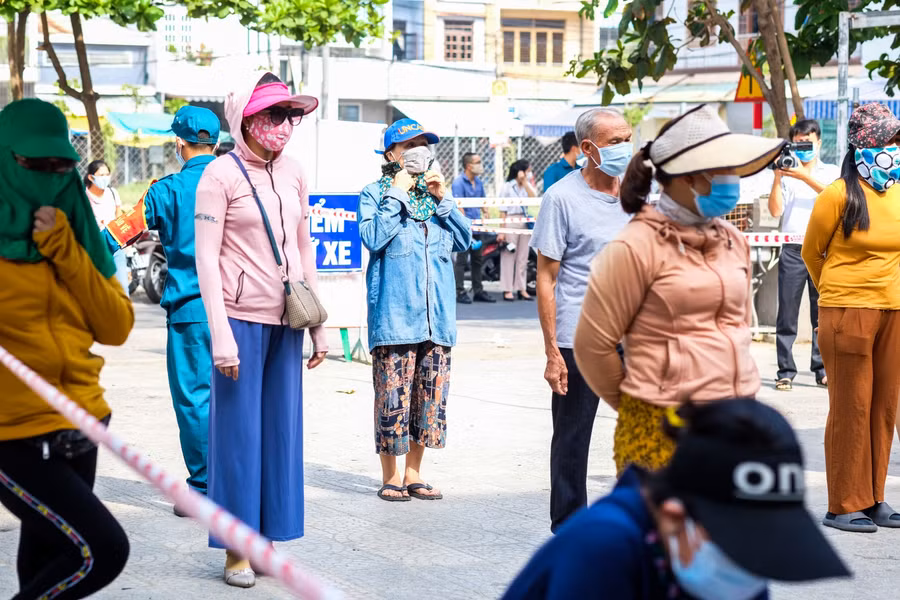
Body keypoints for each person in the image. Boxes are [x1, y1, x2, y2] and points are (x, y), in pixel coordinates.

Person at [574, 103, 783, 477]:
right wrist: (643, 403)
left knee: (728, 534)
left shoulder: (733, 240)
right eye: (719, 169)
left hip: (737, 422)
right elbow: (593, 347)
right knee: (670, 536)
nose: (730, 178)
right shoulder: (635, 247)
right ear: (685, 177)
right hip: (662, 431)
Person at [502, 399, 851, 600]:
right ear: (673, 517)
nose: (754, 564)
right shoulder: (603, 548)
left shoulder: (734, 570)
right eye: (739, 545)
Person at [195, 72, 328, 587]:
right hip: (239, 319)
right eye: (273, 115)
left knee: (279, 434)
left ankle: (268, 539)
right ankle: (236, 549)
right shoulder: (218, 176)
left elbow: (303, 246)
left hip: (286, 321)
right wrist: (220, 333)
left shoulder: (294, 171)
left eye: (289, 115)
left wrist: (318, 323)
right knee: (237, 437)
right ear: (245, 120)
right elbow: (206, 259)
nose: (284, 125)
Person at [0, 99, 133, 598]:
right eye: (33, 164)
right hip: (13, 435)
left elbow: (116, 325)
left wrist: (65, 249)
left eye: (60, 166)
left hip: (83, 422)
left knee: (47, 562)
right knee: (99, 551)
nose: (49, 176)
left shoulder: (73, 224)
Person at [102, 106, 220, 514]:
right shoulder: (242, 182)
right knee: (240, 398)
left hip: (191, 310)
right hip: (244, 311)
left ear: (178, 144)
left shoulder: (164, 191)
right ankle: (240, 482)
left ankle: (203, 488)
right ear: (217, 142)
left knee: (193, 399)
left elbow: (114, 237)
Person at [358, 118, 472, 503]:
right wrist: (397, 194)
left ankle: (414, 474)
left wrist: (444, 200)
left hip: (436, 319)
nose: (418, 151)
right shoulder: (376, 194)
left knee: (429, 399)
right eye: (409, 146)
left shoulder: (437, 194)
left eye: (424, 144)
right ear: (391, 154)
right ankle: (390, 476)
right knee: (392, 399)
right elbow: (373, 237)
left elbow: (465, 239)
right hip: (394, 319)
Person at [530, 108, 633, 533]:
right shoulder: (561, 198)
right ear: (588, 149)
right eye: (615, 142)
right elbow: (546, 278)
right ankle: (570, 524)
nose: (626, 148)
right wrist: (552, 351)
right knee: (573, 436)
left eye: (629, 138)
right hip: (581, 339)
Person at [801, 102, 900, 533]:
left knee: (883, 407)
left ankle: (873, 498)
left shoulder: (897, 190)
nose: (895, 149)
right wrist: (838, 296)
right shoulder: (836, 194)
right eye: (890, 141)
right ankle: (843, 503)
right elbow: (811, 253)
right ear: (868, 145)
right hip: (847, 311)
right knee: (851, 407)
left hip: (893, 310)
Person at [768, 119, 840, 391]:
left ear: (819, 142)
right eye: (798, 144)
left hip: (824, 249)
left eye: (808, 143)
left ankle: (821, 368)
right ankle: (785, 370)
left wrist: (804, 177)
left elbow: (833, 197)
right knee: (786, 313)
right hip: (792, 250)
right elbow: (776, 211)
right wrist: (778, 176)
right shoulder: (785, 172)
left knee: (821, 313)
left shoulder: (831, 172)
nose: (804, 149)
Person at [452, 152, 495, 303]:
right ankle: (459, 291)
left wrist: (486, 212)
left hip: (477, 227)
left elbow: (483, 201)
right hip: (464, 228)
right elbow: (459, 206)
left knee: (478, 260)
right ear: (469, 166)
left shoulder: (479, 182)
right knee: (462, 260)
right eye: (478, 162)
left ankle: (478, 290)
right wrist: (466, 225)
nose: (481, 165)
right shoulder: (458, 183)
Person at [84, 159, 128, 291]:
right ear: (91, 177)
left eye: (107, 174)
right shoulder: (83, 196)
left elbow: (119, 218)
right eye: (101, 175)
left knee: (122, 289)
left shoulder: (113, 193)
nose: (105, 178)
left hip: (115, 247)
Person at [499, 159, 537, 301]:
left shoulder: (526, 186)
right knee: (509, 255)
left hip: (524, 220)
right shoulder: (508, 186)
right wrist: (501, 231)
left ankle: (521, 288)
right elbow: (502, 209)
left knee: (523, 256)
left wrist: (525, 182)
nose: (529, 173)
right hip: (510, 220)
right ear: (520, 171)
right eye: (527, 171)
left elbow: (534, 197)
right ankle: (507, 289)